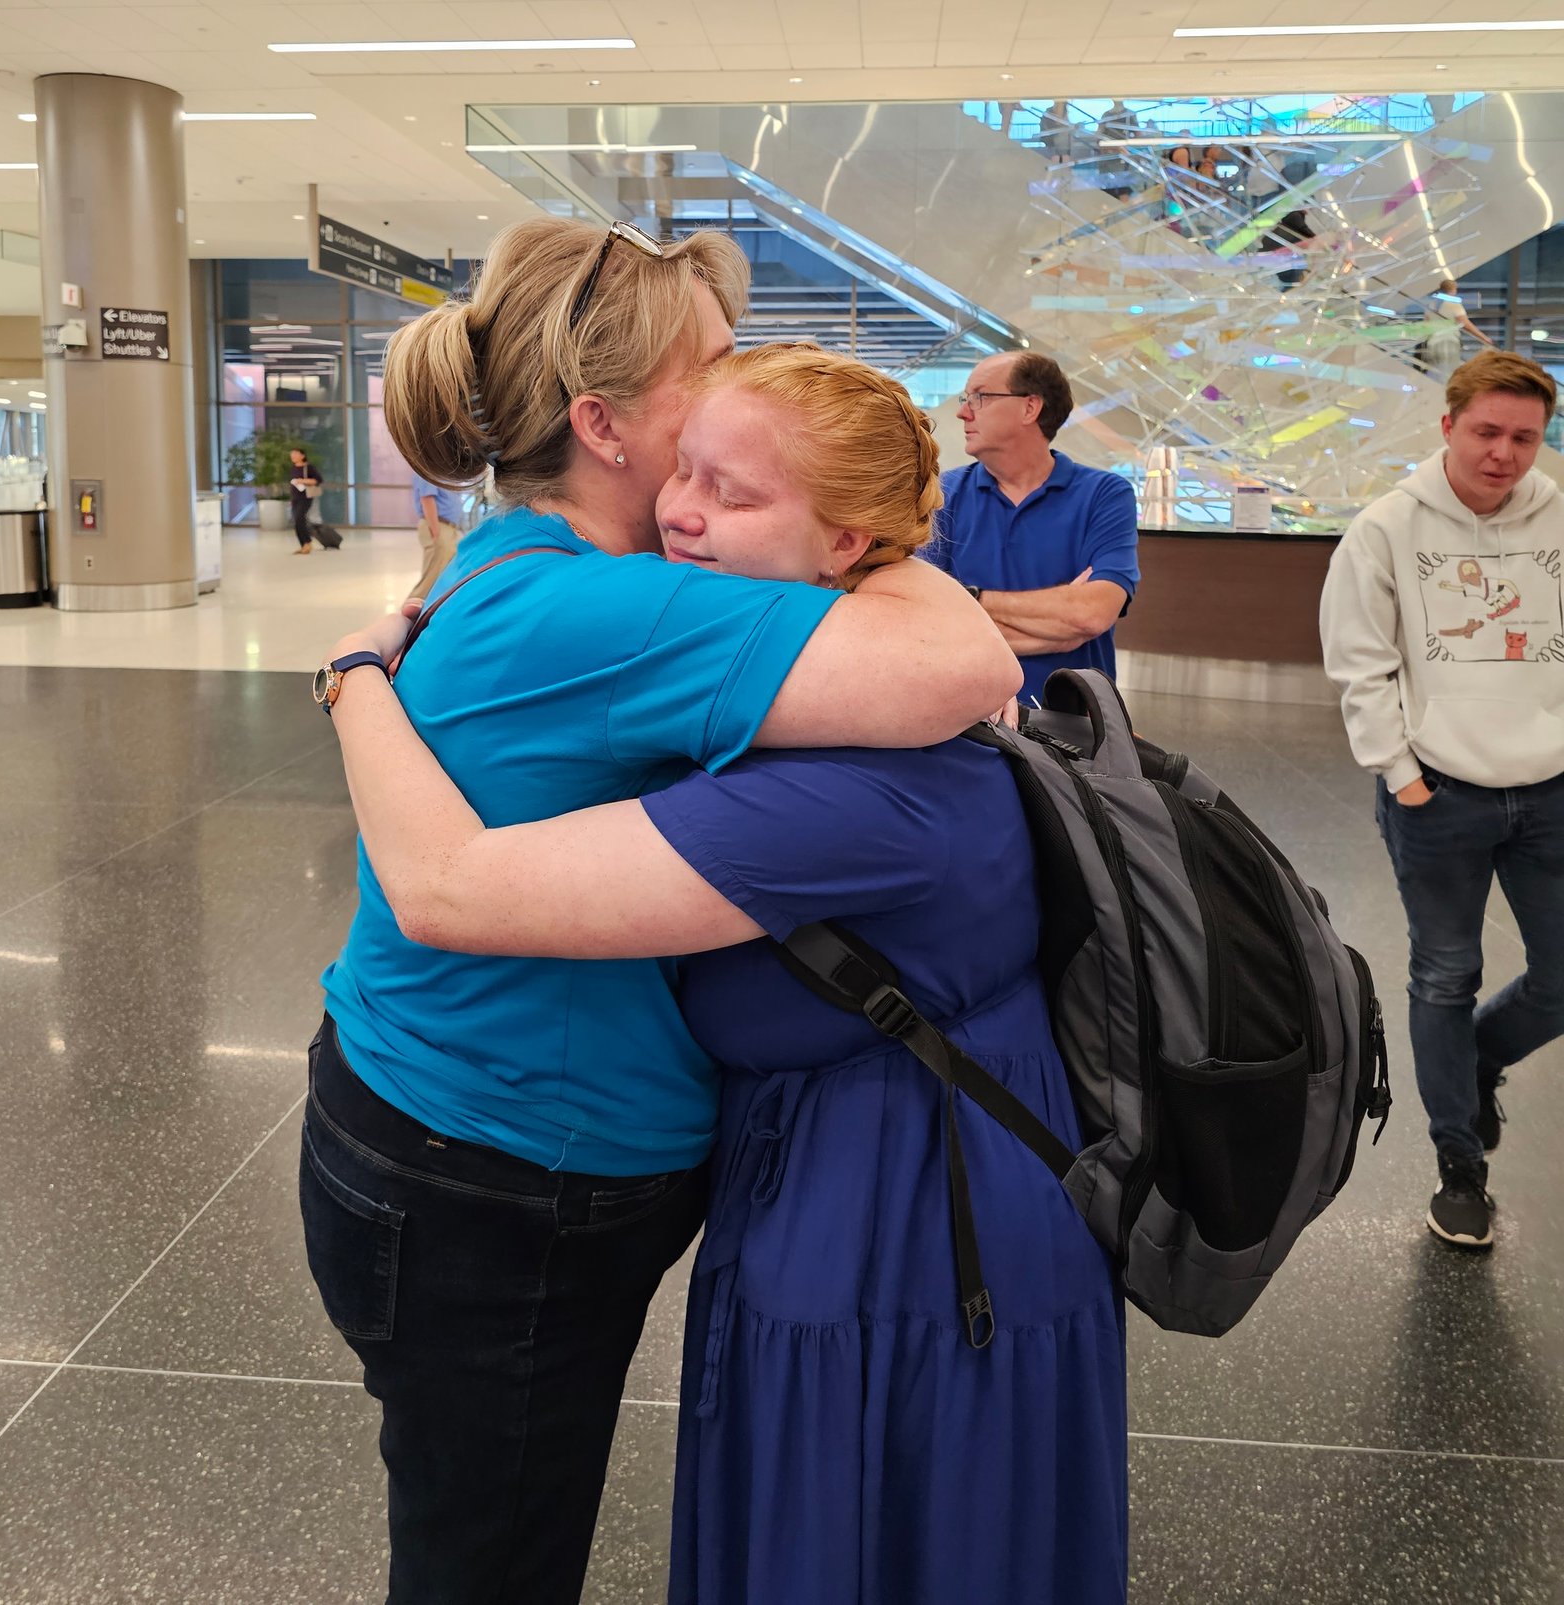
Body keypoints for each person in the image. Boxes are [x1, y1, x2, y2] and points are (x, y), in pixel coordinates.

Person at [322, 344, 1128, 1605]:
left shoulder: (844, 793)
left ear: (846, 546)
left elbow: (447, 888)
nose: (678, 514)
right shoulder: (826, 695)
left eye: (733, 494)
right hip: (901, 1171)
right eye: (684, 470)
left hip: (901, 1219)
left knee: (861, 1534)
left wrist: (352, 678)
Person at [1320, 350, 1564, 1253]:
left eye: (1525, 438)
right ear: (1449, 426)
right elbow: (1360, 661)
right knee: (1444, 974)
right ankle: (1460, 1164)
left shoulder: (1558, 519)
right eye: (1487, 432)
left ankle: (1478, 1057)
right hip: (1439, 796)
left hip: (1551, 790)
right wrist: (1401, 773)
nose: (1504, 453)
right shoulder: (1387, 528)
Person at [924, 350, 1139, 707]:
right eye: (966, 399)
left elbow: (1092, 613)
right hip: (964, 717)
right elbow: (923, 618)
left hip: (1074, 720)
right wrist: (1059, 628)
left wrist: (969, 599)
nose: (963, 412)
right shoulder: (942, 494)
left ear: (1030, 407)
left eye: (980, 397)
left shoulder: (1105, 494)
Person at [407, 470, 465, 604]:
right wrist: (436, 532)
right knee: (432, 578)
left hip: (450, 527)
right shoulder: (428, 470)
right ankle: (412, 610)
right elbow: (427, 499)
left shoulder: (443, 472)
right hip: (438, 526)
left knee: (445, 574)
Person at [1421, 276, 1495, 378]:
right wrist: (1484, 338)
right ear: (1453, 289)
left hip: (1432, 344)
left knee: (1436, 373)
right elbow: (1466, 324)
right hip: (1449, 343)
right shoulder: (1454, 305)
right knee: (1449, 375)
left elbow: (1426, 325)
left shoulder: (1431, 305)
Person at [289, 445, 321, 554]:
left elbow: (318, 480)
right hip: (295, 498)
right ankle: (304, 545)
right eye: (292, 454)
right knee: (296, 521)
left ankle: (307, 543)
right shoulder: (293, 468)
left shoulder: (308, 467)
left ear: (302, 456)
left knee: (299, 519)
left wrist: (302, 481)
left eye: (295, 454)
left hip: (305, 497)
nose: (293, 456)